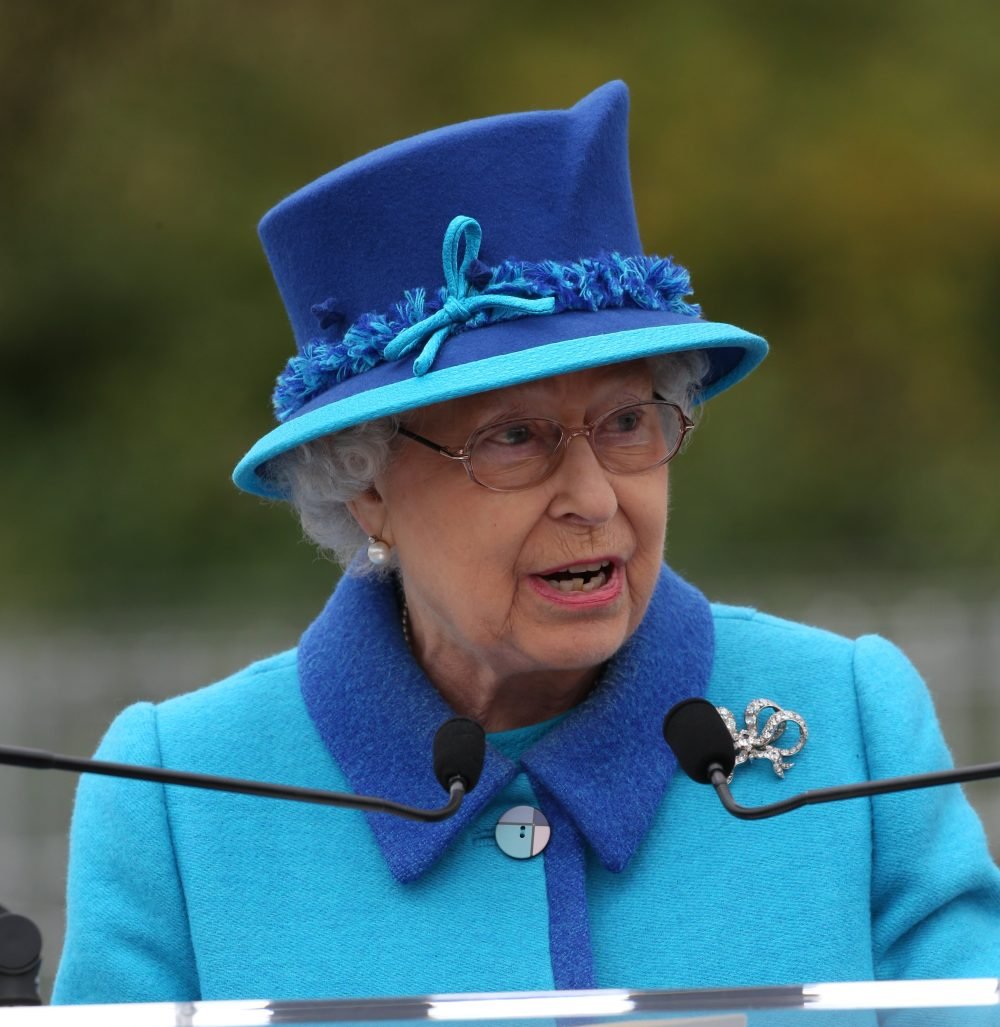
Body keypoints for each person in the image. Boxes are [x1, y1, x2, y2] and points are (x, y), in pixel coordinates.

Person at [53, 81, 1000, 1005]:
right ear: (368, 488)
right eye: (513, 438)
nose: (594, 498)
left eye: (627, 421)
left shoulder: (851, 723)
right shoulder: (178, 795)